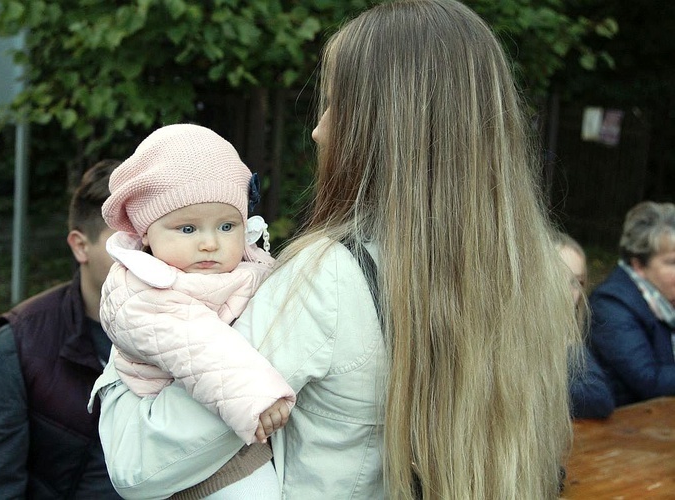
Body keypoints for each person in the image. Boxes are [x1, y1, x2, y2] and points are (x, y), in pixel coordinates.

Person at [92, 1, 581, 498]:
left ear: (379, 127)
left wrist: (132, 326)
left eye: (335, 105)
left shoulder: (326, 277)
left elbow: (141, 466)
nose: (318, 129)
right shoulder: (533, 268)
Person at [93, 123, 295, 498]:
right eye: (187, 229)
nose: (209, 243)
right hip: (193, 456)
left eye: (226, 225)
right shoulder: (141, 289)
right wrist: (257, 396)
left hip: (235, 435)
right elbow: (198, 345)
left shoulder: (244, 268)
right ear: (147, 233)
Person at [0, 159, 123, 498]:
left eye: (150, 239)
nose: (145, 256)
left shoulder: (204, 332)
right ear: (81, 246)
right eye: (125, 243)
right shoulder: (18, 347)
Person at [589, 201, 675, 406]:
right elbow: (649, 381)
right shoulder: (610, 305)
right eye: (672, 262)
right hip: (618, 430)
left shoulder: (666, 297)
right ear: (638, 265)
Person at [552, 231, 615, 419]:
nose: (567, 292)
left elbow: (599, 398)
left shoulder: (567, 333)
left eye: (576, 282)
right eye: (556, 278)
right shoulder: (500, 336)